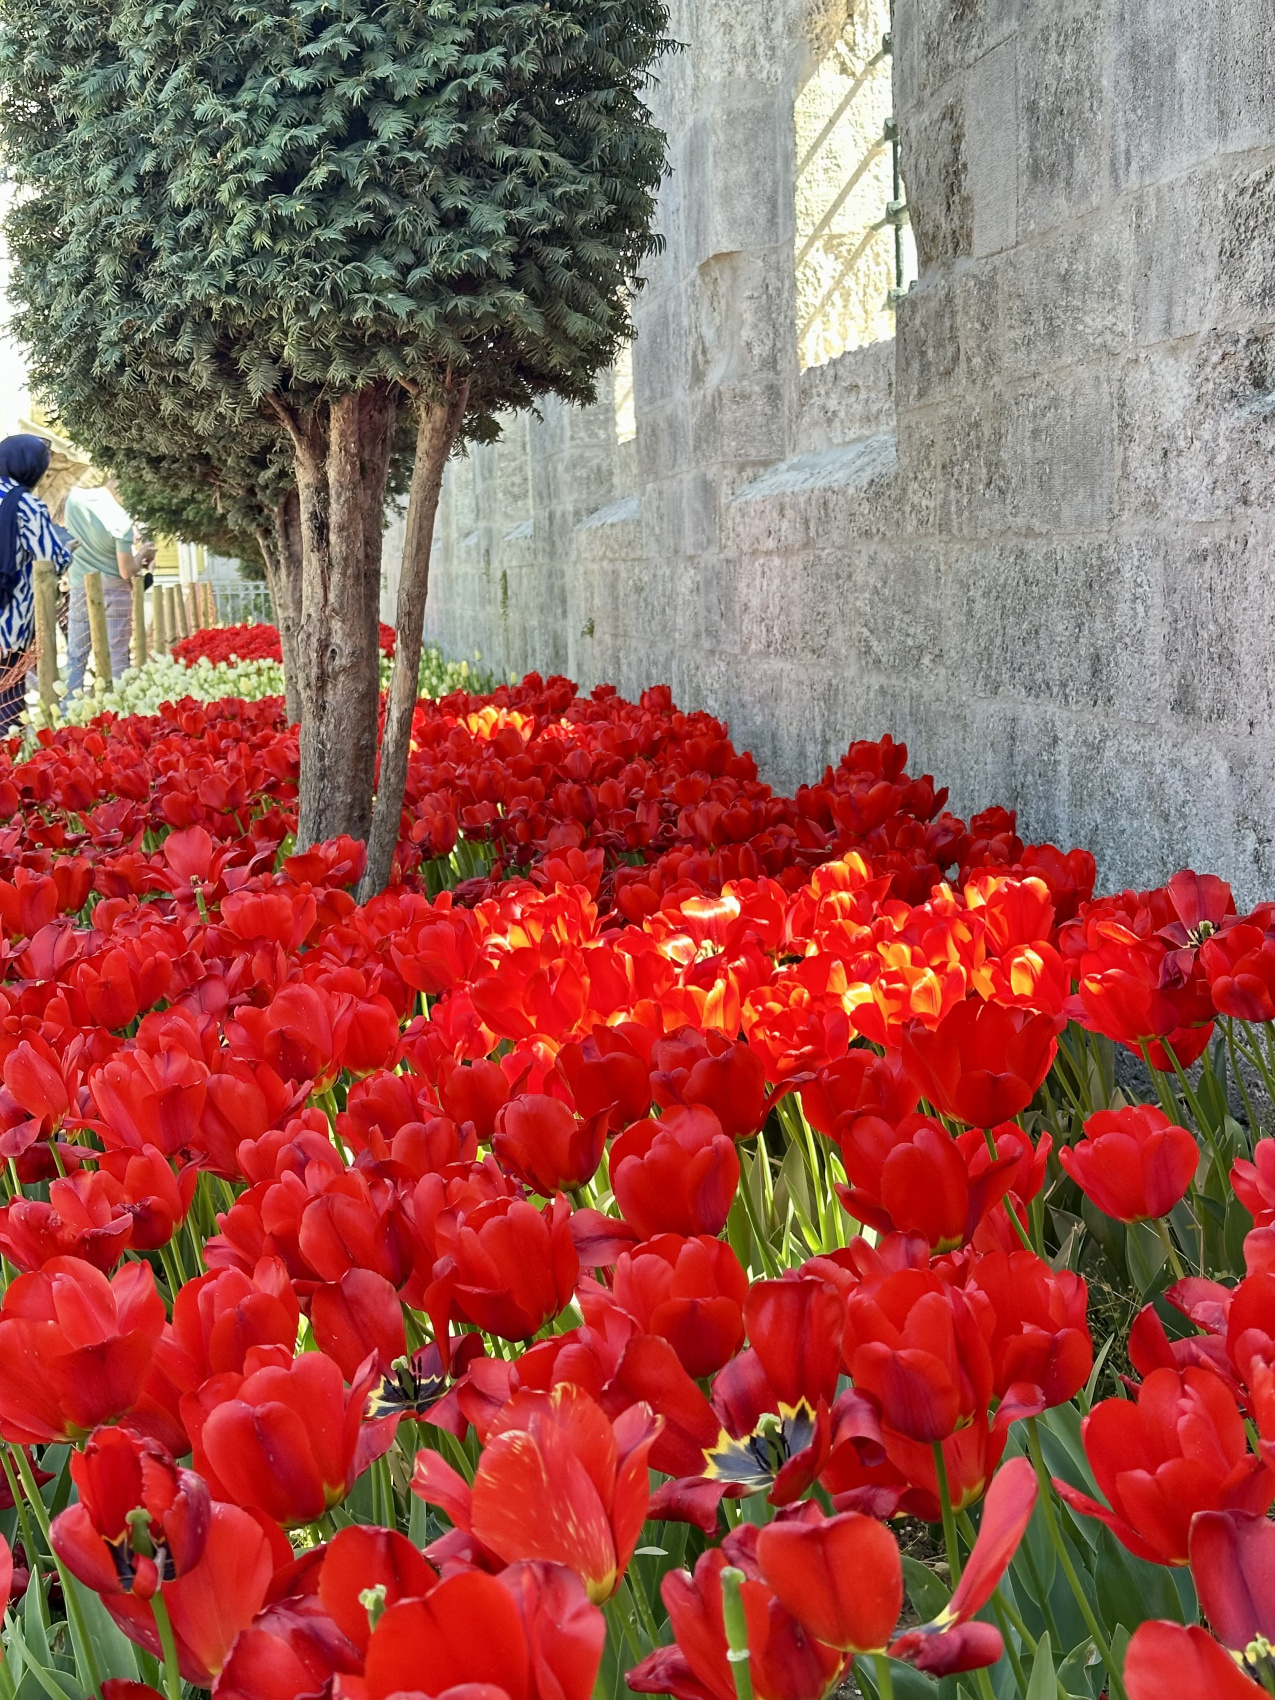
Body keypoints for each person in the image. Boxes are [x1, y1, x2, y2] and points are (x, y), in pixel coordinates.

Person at [0, 434, 70, 732]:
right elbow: (51, 560)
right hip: (8, 627)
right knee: (7, 709)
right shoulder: (26, 505)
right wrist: (67, 547)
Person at [63, 480, 155, 701]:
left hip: (80, 587)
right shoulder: (120, 518)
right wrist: (142, 554)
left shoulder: (74, 499)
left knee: (76, 656)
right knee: (117, 653)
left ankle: (67, 711)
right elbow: (126, 571)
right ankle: (118, 708)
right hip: (115, 589)